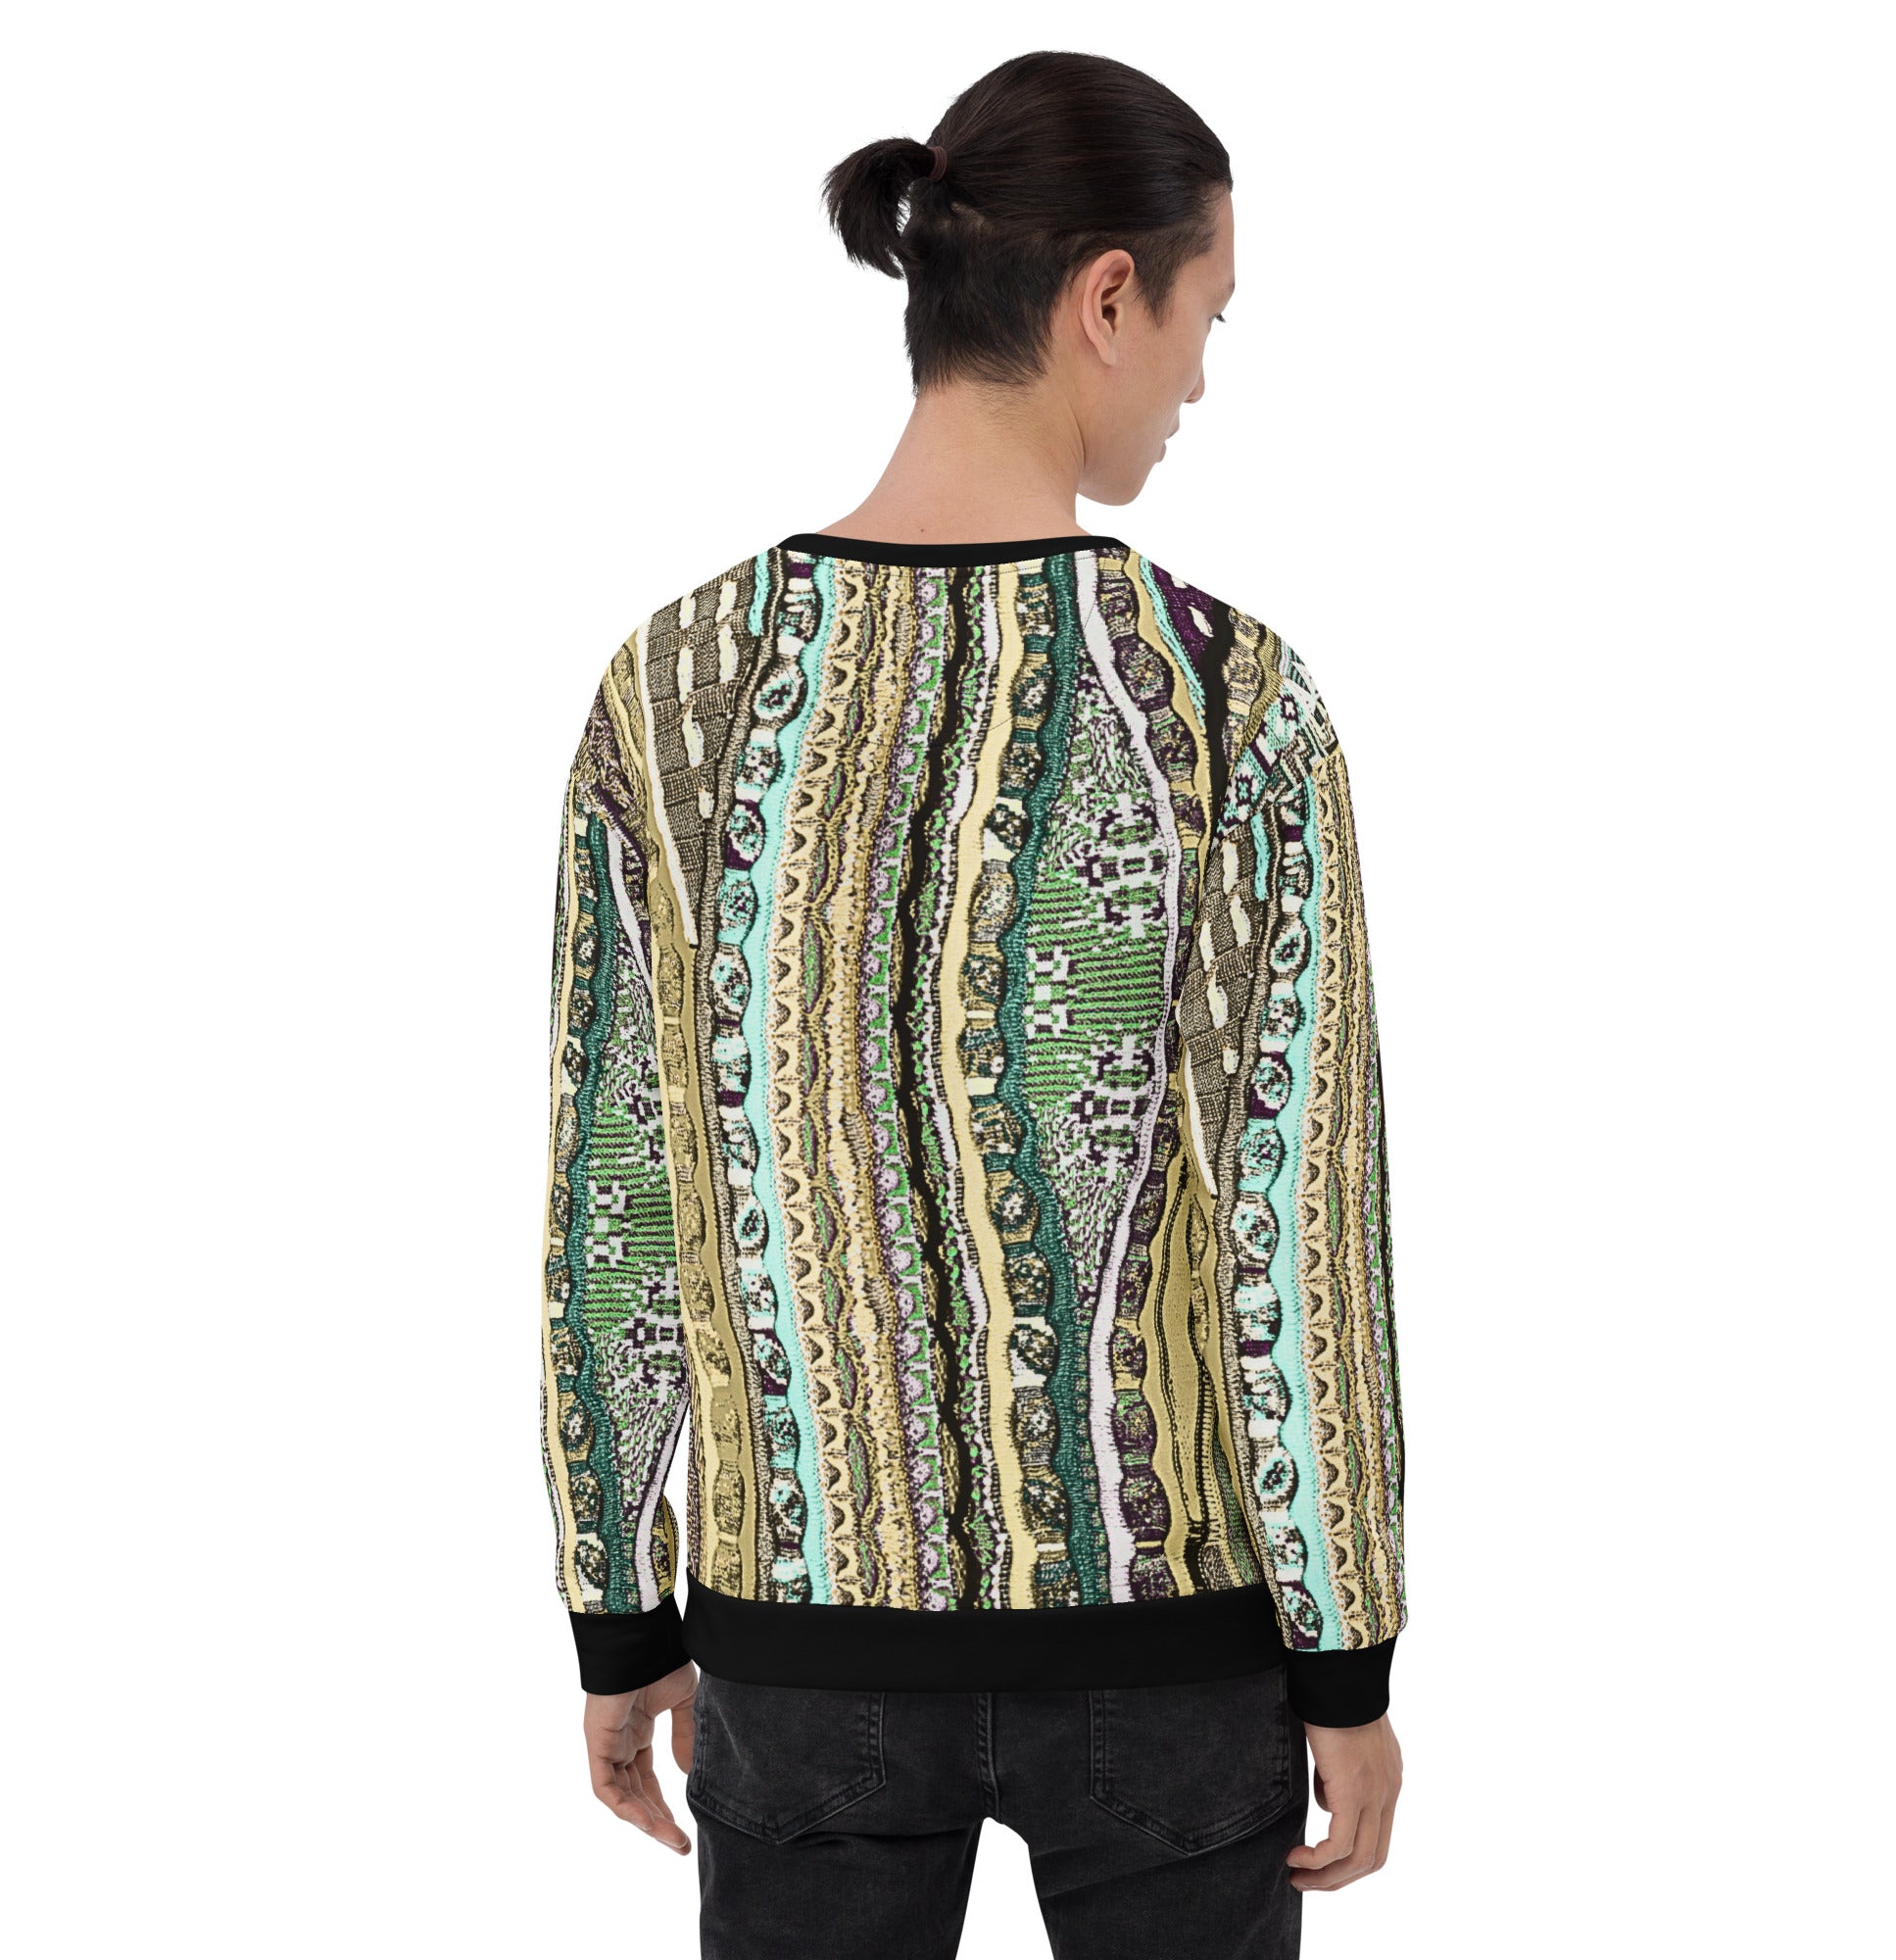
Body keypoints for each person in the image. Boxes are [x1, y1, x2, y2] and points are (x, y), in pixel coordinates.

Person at [537, 48, 1407, 1960]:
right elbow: (1294, 1217)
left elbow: (620, 1191)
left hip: (797, 1651)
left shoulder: (673, 691)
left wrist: (616, 1605)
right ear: (1109, 296)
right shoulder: (1230, 702)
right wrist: (1347, 1653)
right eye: (1207, 318)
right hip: (1168, 1655)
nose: (1198, 380)